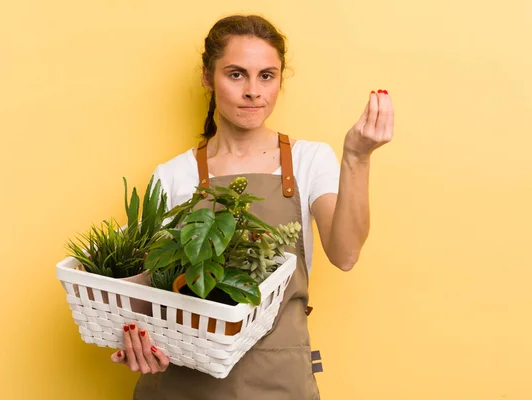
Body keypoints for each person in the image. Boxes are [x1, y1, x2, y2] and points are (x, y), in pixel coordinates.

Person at [110, 14, 394, 399]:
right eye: (236, 74)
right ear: (208, 78)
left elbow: (345, 254)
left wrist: (357, 158)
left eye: (266, 76)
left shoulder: (310, 159)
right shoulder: (173, 175)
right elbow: (145, 292)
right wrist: (137, 341)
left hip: (280, 378)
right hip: (184, 382)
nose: (253, 91)